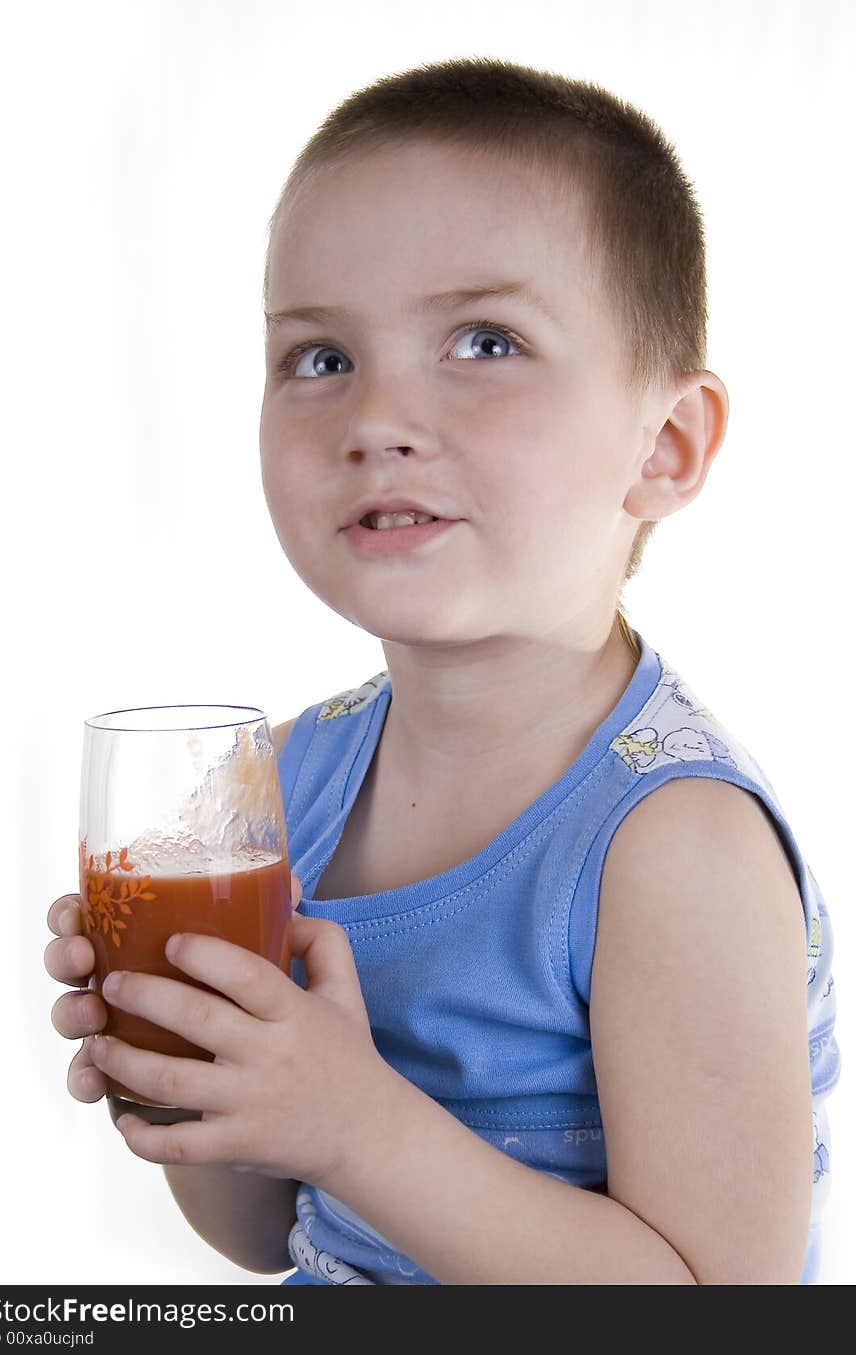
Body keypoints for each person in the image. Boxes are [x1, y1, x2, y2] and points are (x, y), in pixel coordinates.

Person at [45, 57, 840, 1285]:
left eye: (484, 340)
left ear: (666, 445)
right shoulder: (281, 782)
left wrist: (354, 1120)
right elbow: (267, 1238)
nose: (376, 416)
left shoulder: (675, 846)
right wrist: (186, 1080)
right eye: (319, 357)